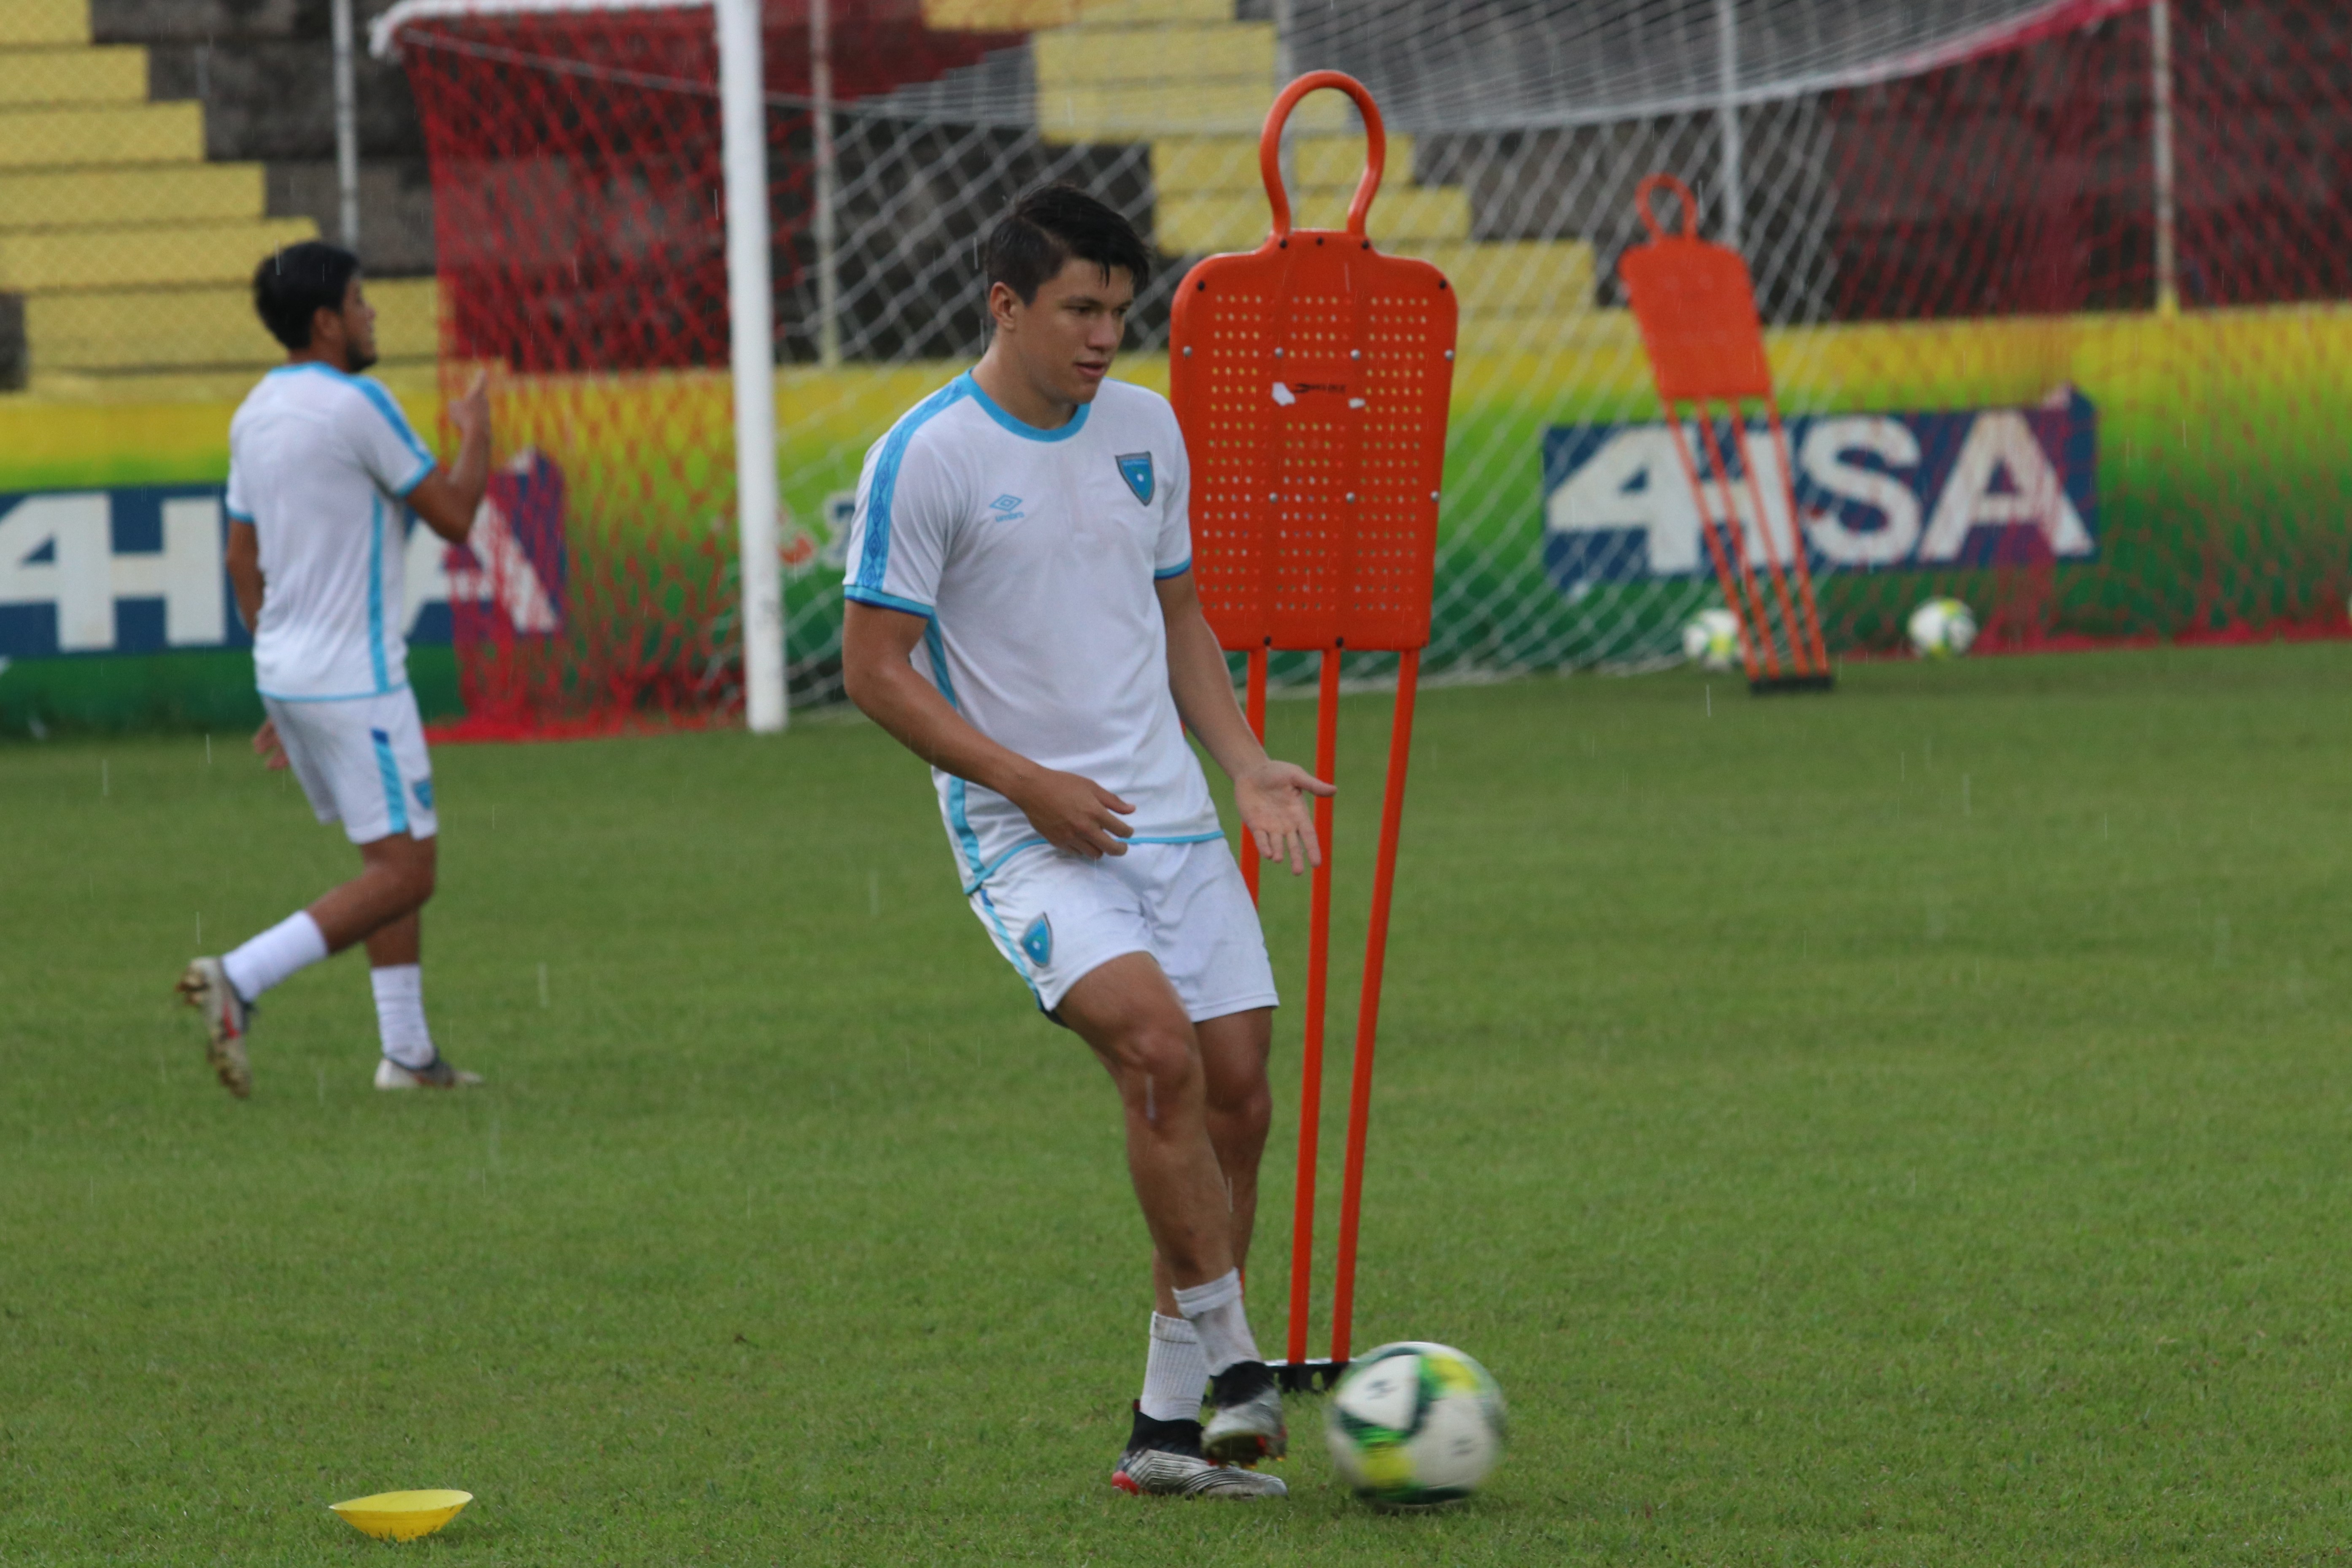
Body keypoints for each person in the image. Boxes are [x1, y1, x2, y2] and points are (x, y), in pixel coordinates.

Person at [839, 184, 1333, 1500]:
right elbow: (876, 670)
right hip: (1028, 834)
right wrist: (1024, 781)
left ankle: (1166, 1432)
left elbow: (1181, 620)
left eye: (1122, 308)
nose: (1108, 333)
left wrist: (1245, 764)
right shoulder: (928, 454)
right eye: (1081, 308)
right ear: (1005, 303)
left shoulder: (1150, 429)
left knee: (1239, 1090)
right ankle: (1239, 1369)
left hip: (1169, 816)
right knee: (1155, 1051)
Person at [177, 241, 491, 1096]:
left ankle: (409, 1055)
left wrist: (284, 674)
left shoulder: (254, 412)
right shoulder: (359, 404)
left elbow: (243, 559)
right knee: (407, 870)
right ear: (325, 321)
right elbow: (456, 517)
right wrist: (477, 437)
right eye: (360, 301)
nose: (371, 314)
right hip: (356, 677)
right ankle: (239, 976)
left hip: (289, 668)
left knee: (386, 854)